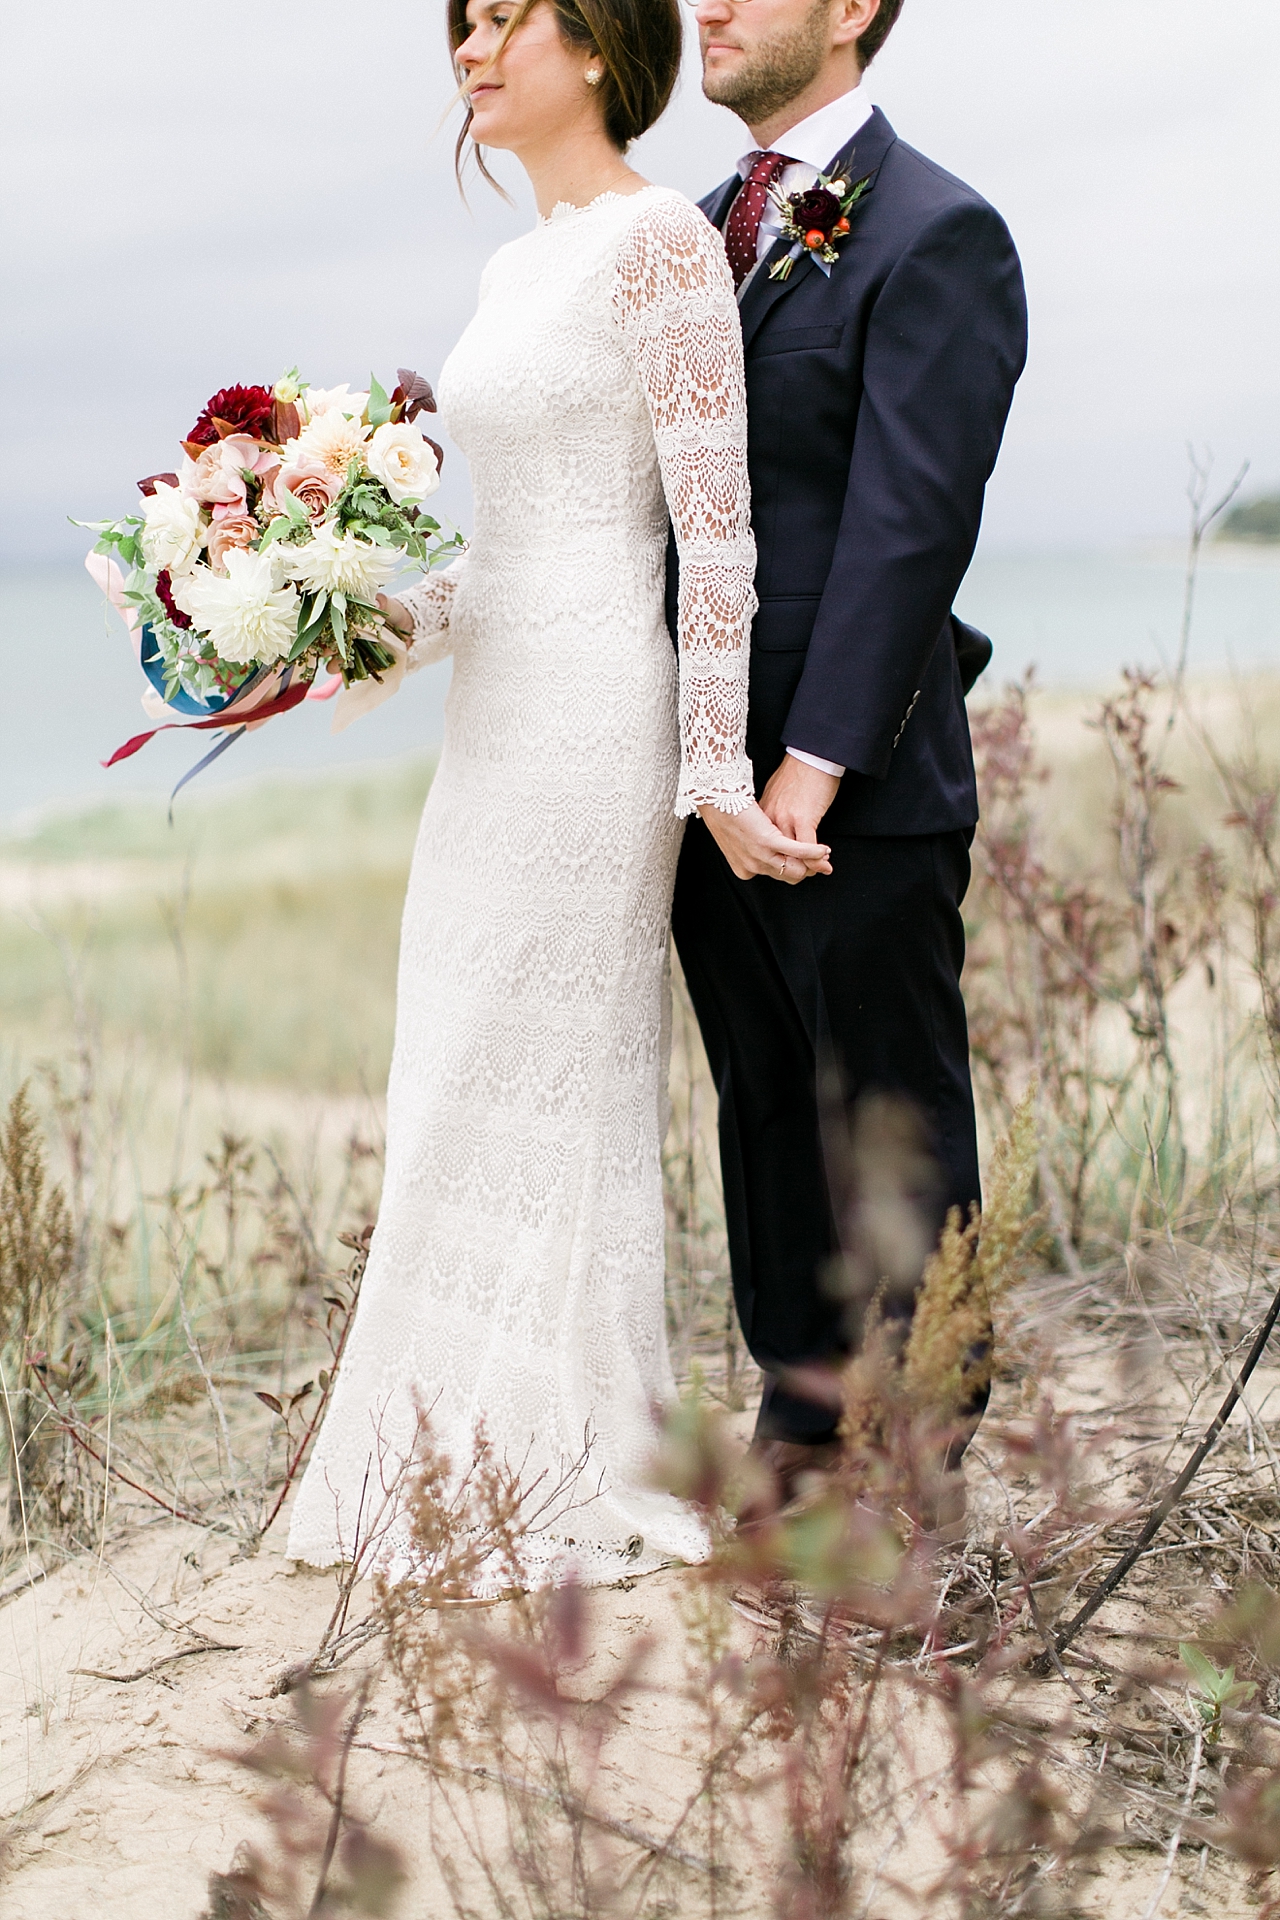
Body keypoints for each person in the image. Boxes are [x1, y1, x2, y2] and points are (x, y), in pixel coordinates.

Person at [287, 0, 828, 1586]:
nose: (468, 46)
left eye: (502, 17)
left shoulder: (661, 242)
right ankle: (447, 1442)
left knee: (558, 1070)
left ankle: (570, 1451)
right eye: (460, 25)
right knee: (452, 1053)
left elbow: (711, 532)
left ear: (595, 45)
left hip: (602, 717)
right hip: (497, 708)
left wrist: (714, 765)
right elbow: (501, 550)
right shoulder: (512, 270)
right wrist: (349, 623)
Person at [669, 0, 1029, 1502]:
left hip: (850, 785)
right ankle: (801, 1429)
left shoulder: (938, 232)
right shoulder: (689, 234)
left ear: (853, 8)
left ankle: (921, 1472)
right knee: (763, 1107)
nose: (710, 4)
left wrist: (812, 761)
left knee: (884, 1122)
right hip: (694, 777)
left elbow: (909, 520)